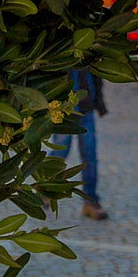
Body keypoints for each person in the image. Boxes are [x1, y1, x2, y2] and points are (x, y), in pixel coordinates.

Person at [56, 67, 109, 220]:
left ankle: (91, 202)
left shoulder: (87, 50)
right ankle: (44, 188)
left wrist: (99, 103)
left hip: (86, 110)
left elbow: (97, 77)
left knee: (90, 156)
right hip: (63, 113)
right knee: (60, 153)